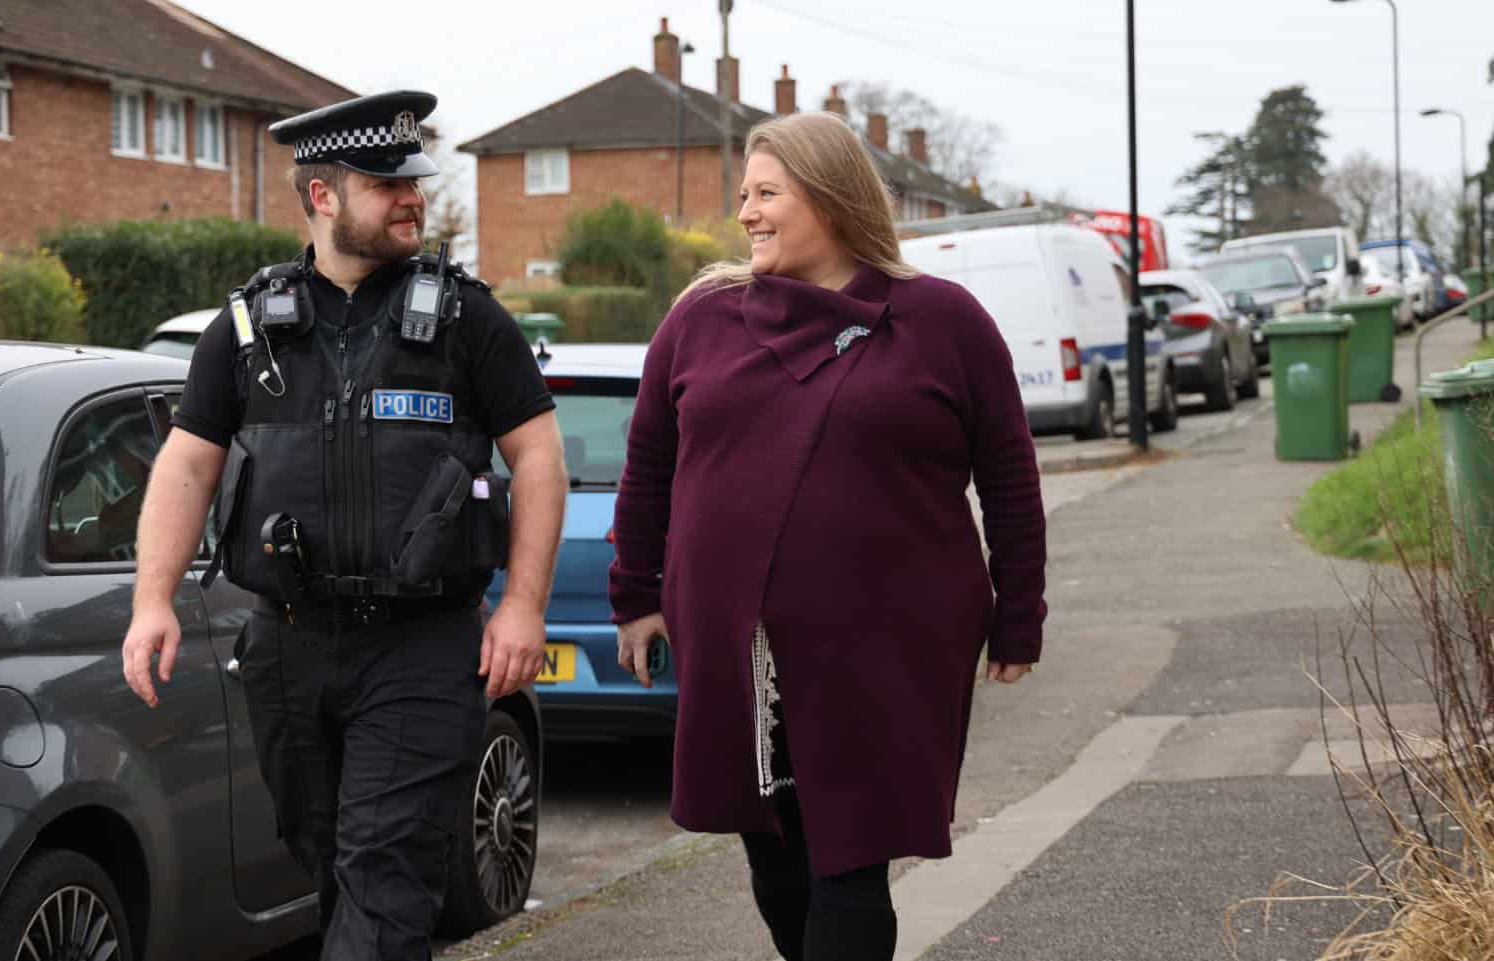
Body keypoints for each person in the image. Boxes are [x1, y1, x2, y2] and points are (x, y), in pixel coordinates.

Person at [119, 90, 566, 961]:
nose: (414, 198)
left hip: (422, 646)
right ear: (322, 196)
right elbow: (184, 464)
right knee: (334, 867)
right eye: (385, 182)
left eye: (416, 181)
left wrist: (524, 606)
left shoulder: (467, 320)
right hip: (287, 647)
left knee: (383, 873)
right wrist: (152, 598)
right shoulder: (250, 328)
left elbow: (540, 457)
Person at [608, 111, 1046, 960]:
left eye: (767, 192)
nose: (746, 213)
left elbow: (1009, 473)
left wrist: (1018, 611)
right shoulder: (701, 318)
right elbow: (648, 465)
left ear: (831, 197)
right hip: (742, 651)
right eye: (744, 195)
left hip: (886, 647)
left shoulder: (942, 320)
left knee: (849, 867)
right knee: (778, 865)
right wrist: (636, 597)